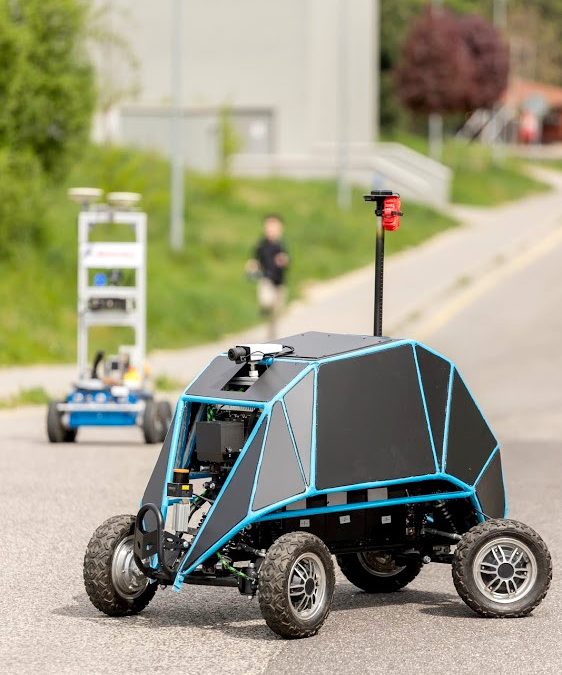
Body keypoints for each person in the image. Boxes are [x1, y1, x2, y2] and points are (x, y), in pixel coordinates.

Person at [246, 214, 289, 340]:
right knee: (266, 299)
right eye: (269, 227)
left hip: (280, 282)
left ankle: (272, 334)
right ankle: (265, 308)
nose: (271, 230)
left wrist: (283, 260)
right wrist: (252, 266)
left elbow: (287, 260)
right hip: (266, 279)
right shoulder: (261, 245)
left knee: (277, 311)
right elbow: (255, 259)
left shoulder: (281, 245)